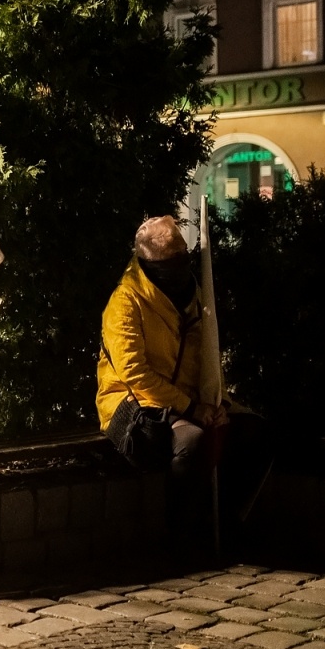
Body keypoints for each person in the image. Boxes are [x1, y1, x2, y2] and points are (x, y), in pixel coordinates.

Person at [96, 216, 225, 545]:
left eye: (184, 253)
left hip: (182, 402)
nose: (182, 263)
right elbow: (134, 374)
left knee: (253, 430)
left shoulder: (191, 293)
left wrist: (212, 402)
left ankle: (231, 523)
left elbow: (201, 355)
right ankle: (180, 537)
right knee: (192, 442)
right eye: (173, 258)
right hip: (131, 408)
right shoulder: (124, 302)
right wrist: (191, 407)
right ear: (149, 261)